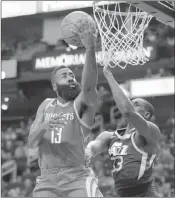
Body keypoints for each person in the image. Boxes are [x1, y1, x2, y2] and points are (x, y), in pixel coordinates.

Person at [27, 27, 103, 197]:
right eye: (64, 76)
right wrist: (44, 126)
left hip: (76, 176)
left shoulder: (80, 104)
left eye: (71, 75)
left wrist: (90, 49)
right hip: (47, 179)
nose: (70, 77)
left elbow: (89, 85)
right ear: (54, 86)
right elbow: (31, 141)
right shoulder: (46, 105)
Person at [86, 64, 161, 197]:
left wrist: (108, 74)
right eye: (131, 102)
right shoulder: (109, 136)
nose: (132, 104)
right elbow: (94, 148)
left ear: (146, 115)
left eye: (136, 104)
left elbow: (128, 111)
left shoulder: (151, 132)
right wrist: (88, 151)